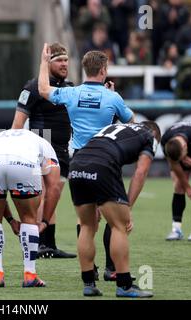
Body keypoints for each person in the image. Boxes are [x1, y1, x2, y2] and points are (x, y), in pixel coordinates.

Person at [38, 46, 135, 281]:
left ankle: (88, 274)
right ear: (103, 70)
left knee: (87, 222)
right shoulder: (113, 97)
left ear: (85, 70)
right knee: (114, 219)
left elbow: (42, 90)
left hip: (79, 160)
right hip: (106, 159)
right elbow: (132, 124)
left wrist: (43, 61)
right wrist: (110, 102)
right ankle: (112, 270)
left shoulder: (71, 93)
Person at [69, 121, 160, 297]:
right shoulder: (149, 136)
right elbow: (140, 173)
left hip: (78, 164)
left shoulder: (115, 128)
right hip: (102, 165)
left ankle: (89, 283)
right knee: (120, 226)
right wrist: (127, 207)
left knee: (87, 226)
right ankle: (125, 286)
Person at [11, 42, 76, 259]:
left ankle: (49, 245)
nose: (64, 64)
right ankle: (35, 243)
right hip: (41, 146)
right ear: (47, 62)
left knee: (53, 196)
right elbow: (17, 124)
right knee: (43, 195)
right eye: (59, 60)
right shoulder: (32, 87)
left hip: (62, 149)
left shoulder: (70, 88)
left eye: (66, 60)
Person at [0, 129, 62, 287]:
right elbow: (54, 188)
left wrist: (10, 220)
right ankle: (30, 275)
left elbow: (0, 193)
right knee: (29, 218)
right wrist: (44, 221)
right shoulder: (44, 144)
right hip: (24, 163)